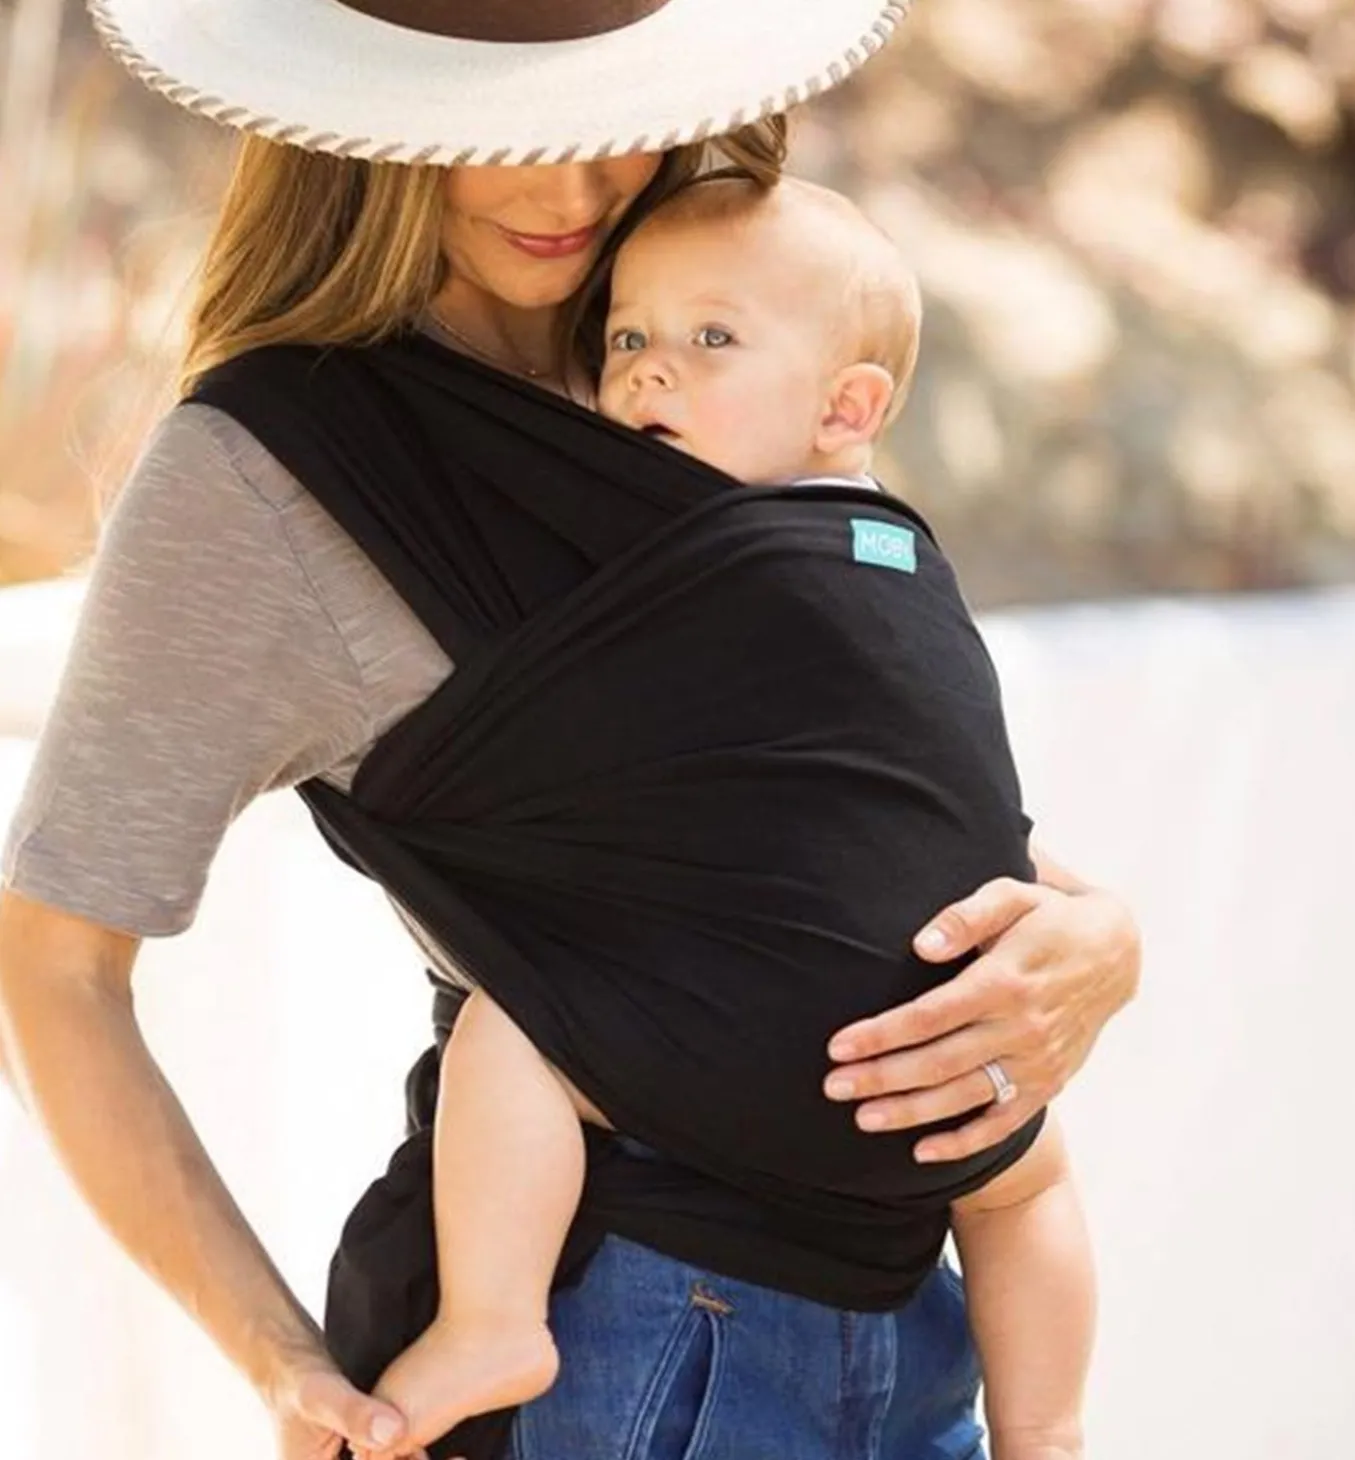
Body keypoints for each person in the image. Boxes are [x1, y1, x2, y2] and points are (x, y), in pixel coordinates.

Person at [0, 5, 1141, 1460]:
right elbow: (54, 966)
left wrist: (1096, 935)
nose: (572, 187)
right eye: (503, 127)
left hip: (919, 1319)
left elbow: (810, 796)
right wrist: (278, 1359)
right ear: (367, 113)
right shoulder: (267, 475)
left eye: (606, 115)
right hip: (629, 1326)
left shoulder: (718, 332)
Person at [361, 174, 1093, 1460]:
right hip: (932, 1052)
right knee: (1025, 1180)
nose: (650, 370)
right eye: (627, 337)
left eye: (712, 338)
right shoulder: (903, 563)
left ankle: (493, 1317)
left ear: (845, 408)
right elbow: (915, 795)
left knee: (511, 1021)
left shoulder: (714, 564)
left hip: (757, 1050)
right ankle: (1045, 1426)